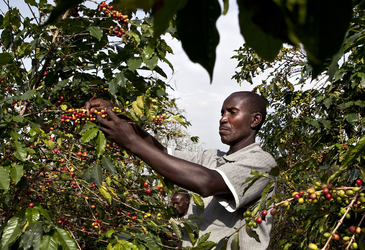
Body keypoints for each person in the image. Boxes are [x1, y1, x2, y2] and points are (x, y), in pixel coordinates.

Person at [85, 91, 276, 249]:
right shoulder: (211, 158)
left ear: (255, 120)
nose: (223, 119)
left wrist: (131, 142)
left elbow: (206, 183)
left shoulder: (261, 163)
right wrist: (118, 115)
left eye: (232, 112)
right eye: (222, 112)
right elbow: (160, 152)